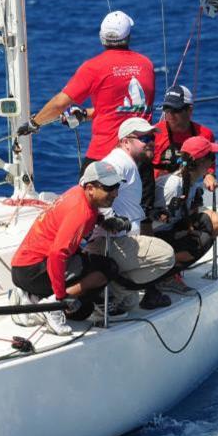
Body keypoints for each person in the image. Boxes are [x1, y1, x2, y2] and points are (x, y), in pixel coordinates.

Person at [17, 10, 155, 171]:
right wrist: (85, 115)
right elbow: (124, 108)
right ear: (128, 37)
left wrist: (34, 123)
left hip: (106, 157)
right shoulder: (147, 65)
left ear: (102, 38)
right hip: (142, 159)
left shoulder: (93, 67)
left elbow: (60, 104)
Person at [10, 162, 121, 335]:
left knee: (83, 311)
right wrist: (60, 298)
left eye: (117, 186)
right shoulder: (81, 212)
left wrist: (100, 220)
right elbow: (56, 255)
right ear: (91, 188)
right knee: (108, 269)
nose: (115, 193)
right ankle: (52, 305)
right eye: (109, 188)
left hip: (24, 268)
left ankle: (33, 297)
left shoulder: (78, 193)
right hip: (34, 270)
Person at [84, 118, 175, 312]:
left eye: (152, 137)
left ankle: (112, 289)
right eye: (144, 138)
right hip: (109, 244)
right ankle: (110, 288)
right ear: (125, 142)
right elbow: (88, 186)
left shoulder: (128, 163)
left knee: (131, 303)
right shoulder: (117, 162)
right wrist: (109, 218)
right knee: (167, 256)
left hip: (120, 240)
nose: (151, 141)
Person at [152, 136, 218, 292]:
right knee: (200, 242)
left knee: (215, 223)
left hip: (172, 228)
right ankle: (162, 276)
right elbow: (152, 224)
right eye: (211, 157)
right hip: (157, 236)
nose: (213, 162)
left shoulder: (190, 181)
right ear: (199, 163)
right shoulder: (172, 185)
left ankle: (170, 270)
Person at [153, 85, 218, 191]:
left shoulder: (205, 135)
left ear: (189, 110)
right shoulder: (154, 134)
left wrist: (209, 176)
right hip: (158, 192)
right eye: (167, 109)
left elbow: (208, 168)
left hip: (188, 189)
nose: (170, 115)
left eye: (176, 110)